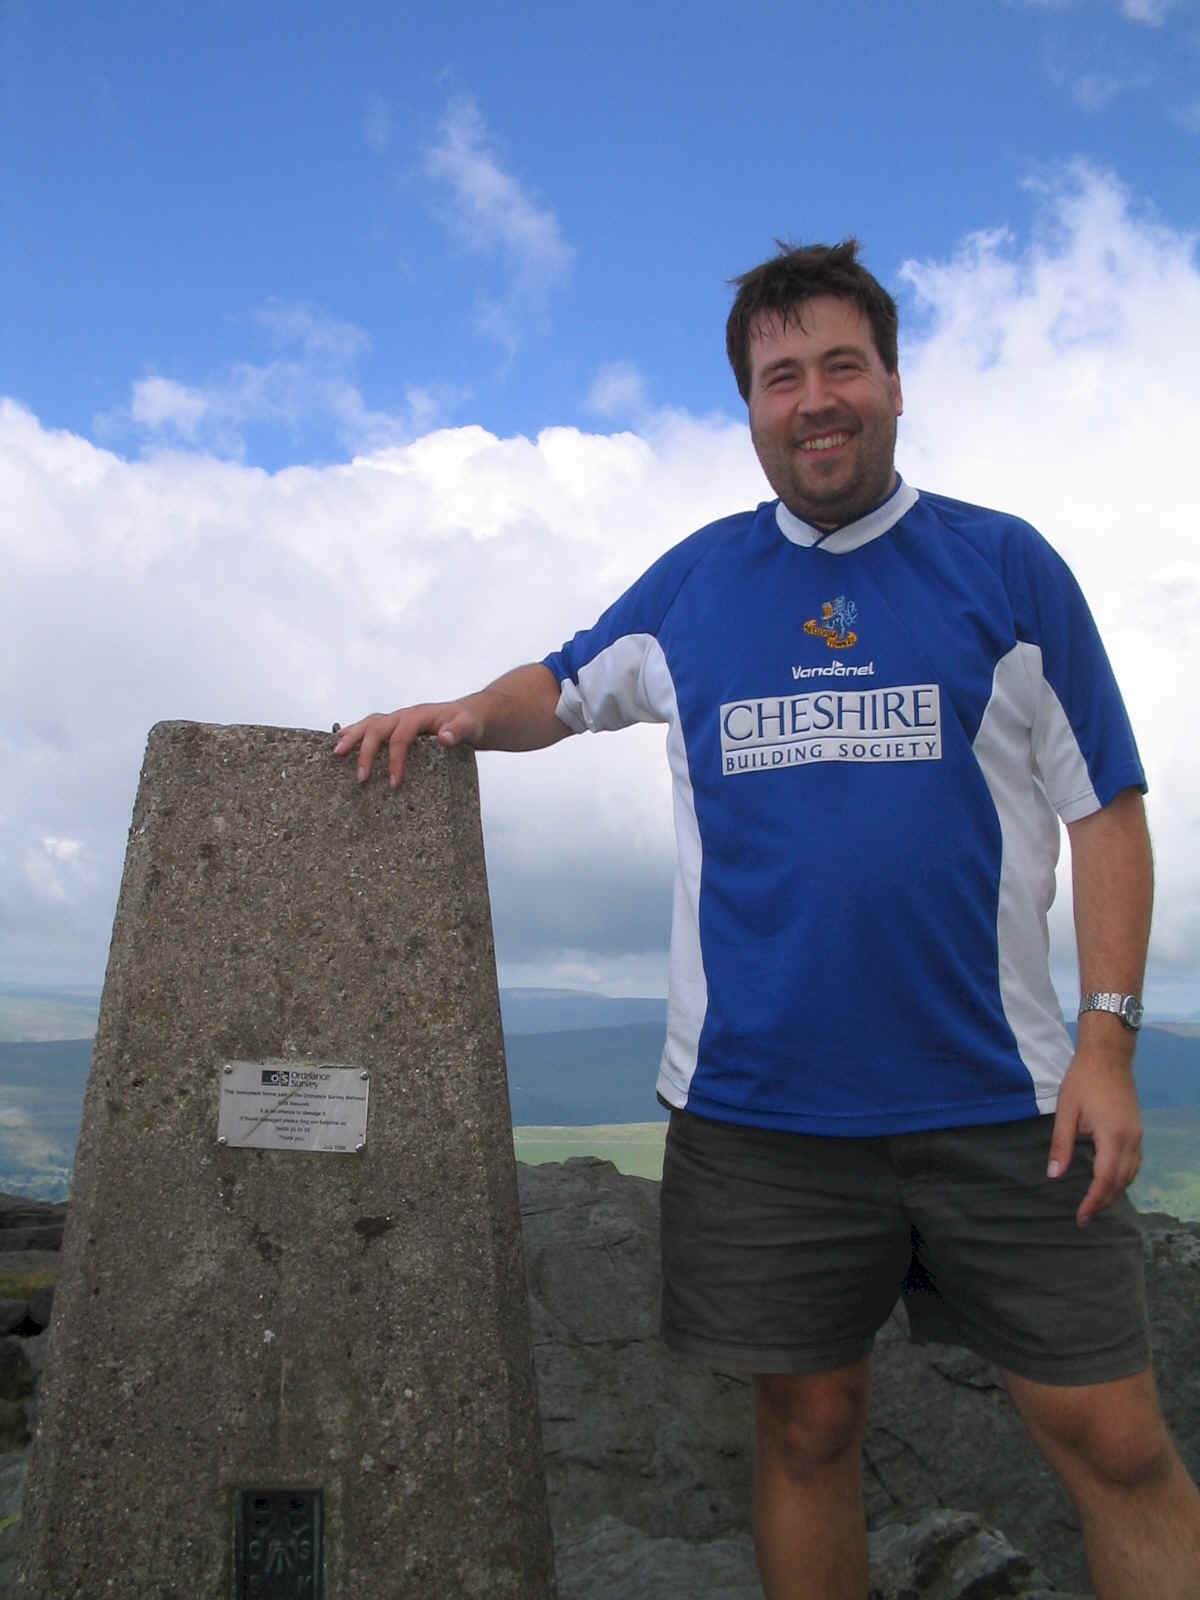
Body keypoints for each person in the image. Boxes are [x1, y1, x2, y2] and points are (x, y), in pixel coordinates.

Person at [334, 240, 1200, 1598]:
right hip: (762, 1118)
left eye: (840, 366)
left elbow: (1110, 811)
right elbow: (558, 689)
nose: (814, 399)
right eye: (779, 376)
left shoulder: (1007, 568)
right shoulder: (699, 587)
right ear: (750, 409)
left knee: (1118, 1442)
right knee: (807, 1429)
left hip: (1007, 1101)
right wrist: (454, 716)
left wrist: (1108, 1040)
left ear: (894, 385)